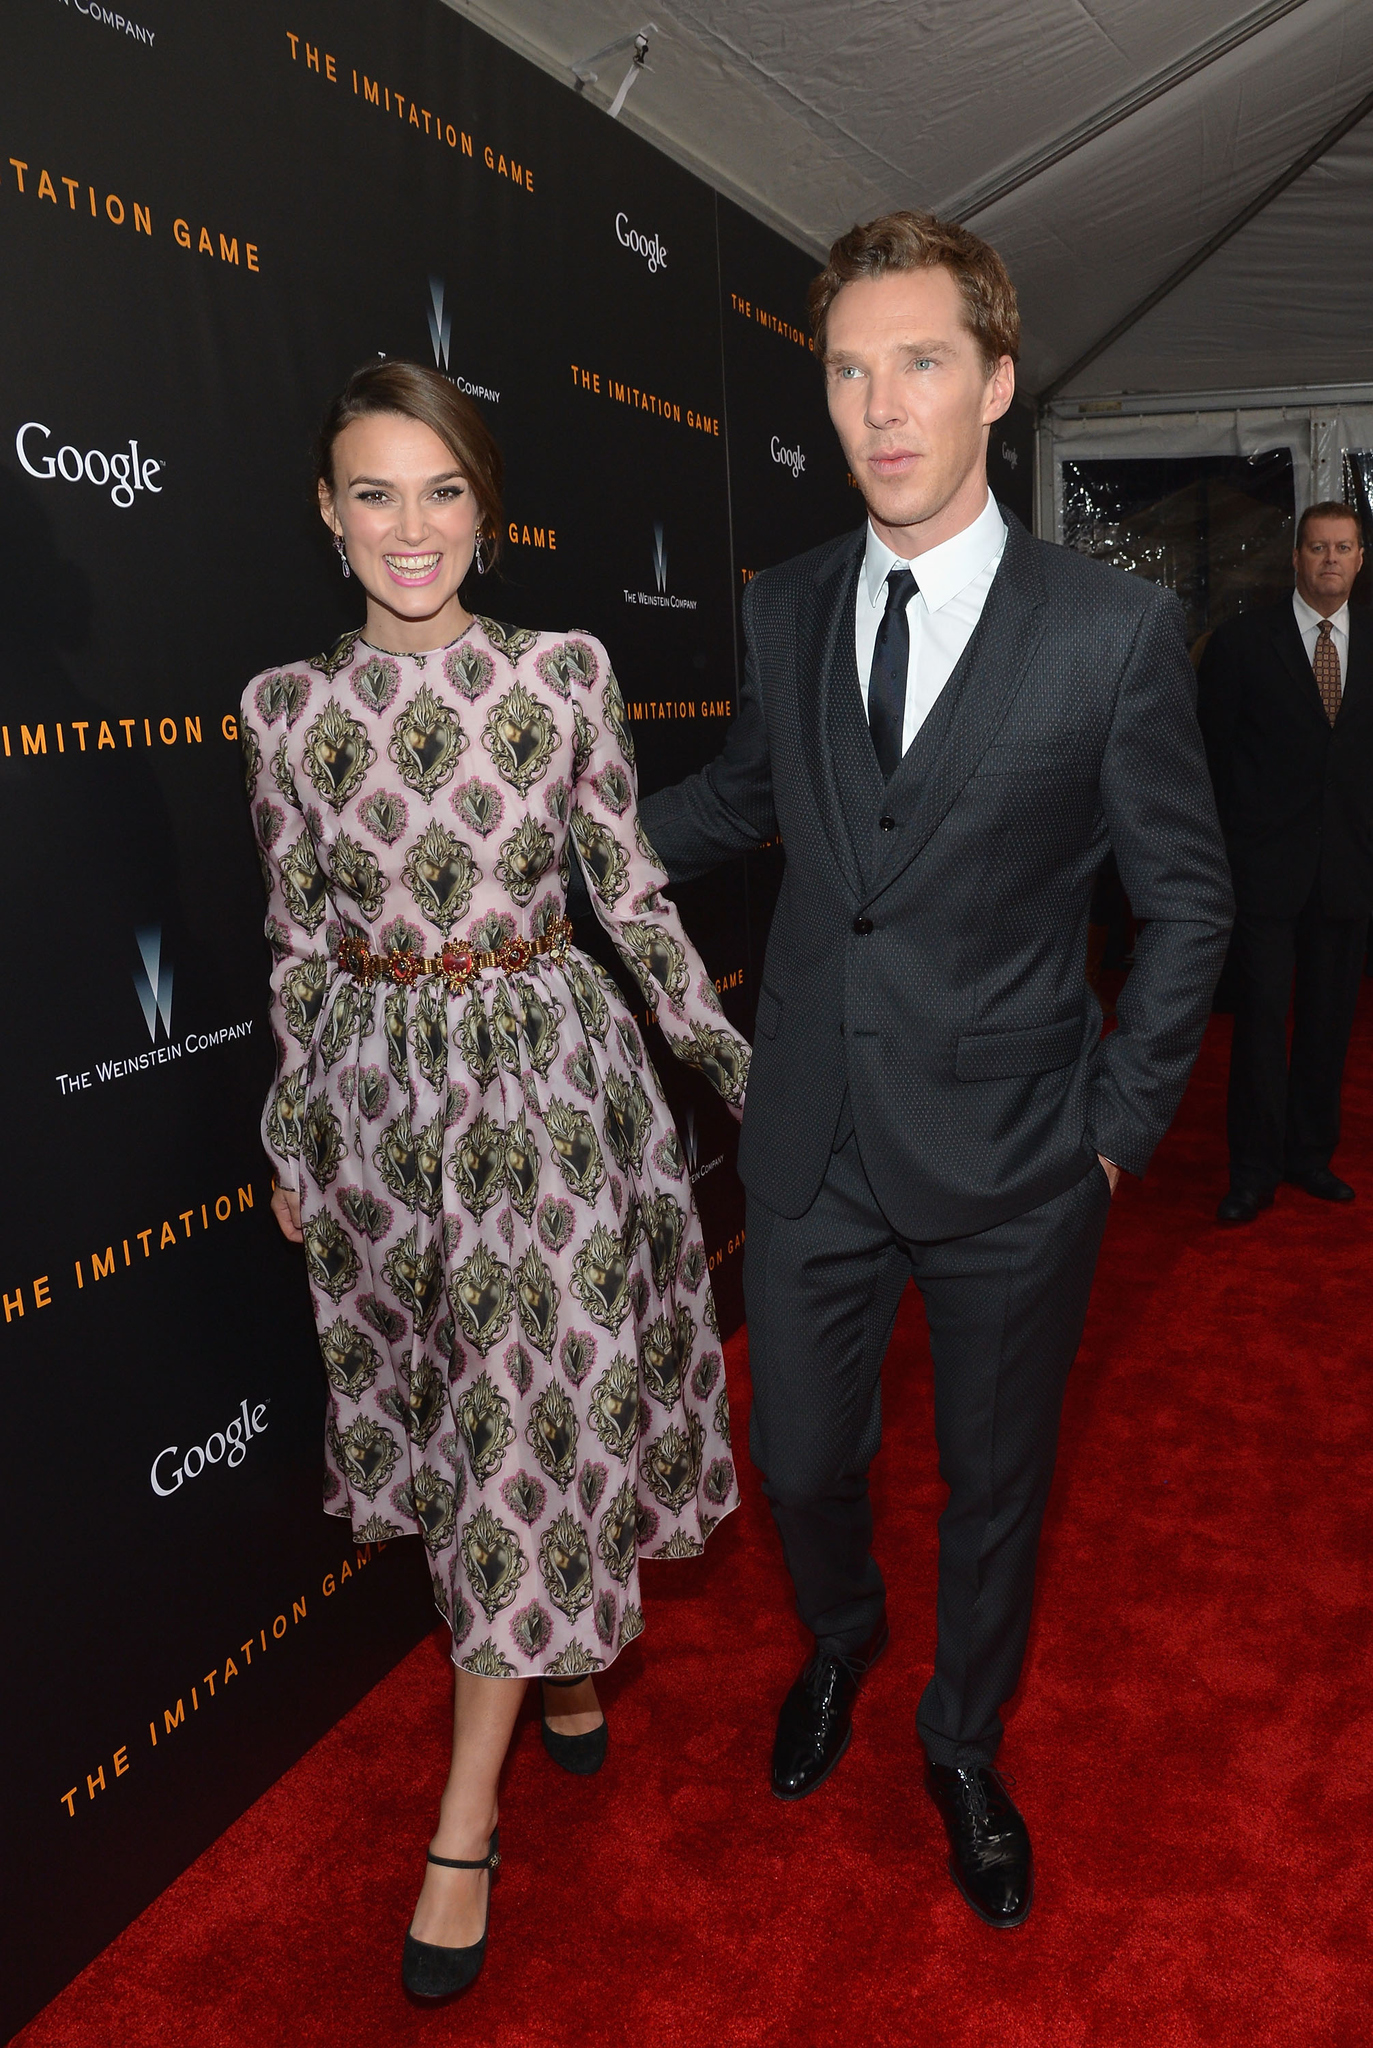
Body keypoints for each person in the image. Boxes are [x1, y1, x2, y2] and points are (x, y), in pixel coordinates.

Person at [639, 211, 1233, 1928]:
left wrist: (1112, 1132)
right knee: (803, 1459)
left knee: (995, 1484)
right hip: (813, 1124)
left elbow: (1187, 902)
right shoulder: (782, 601)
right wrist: (553, 826)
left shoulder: (1107, 632)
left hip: (1017, 1156)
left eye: (916, 363)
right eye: (846, 368)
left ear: (991, 379)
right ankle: (839, 1637)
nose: (878, 406)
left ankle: (959, 1737)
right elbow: (743, 799)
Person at [241, 360, 748, 2004]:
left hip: (545, 1081)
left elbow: (628, 889)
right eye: (374, 492)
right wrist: (294, 1125)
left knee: (533, 1407)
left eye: (441, 488)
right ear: (327, 514)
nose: (411, 525)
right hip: (387, 1107)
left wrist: (740, 1066)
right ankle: (568, 1654)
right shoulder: (284, 713)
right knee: (469, 1419)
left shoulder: (556, 673)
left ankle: (463, 1823)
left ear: (486, 506)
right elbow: (302, 947)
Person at [1197, 502, 1371, 1222]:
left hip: (1349, 872)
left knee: (1330, 1025)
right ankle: (1252, 1171)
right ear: (1294, 558)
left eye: (1342, 548)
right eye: (1316, 548)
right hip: (1262, 872)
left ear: (1359, 559)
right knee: (1262, 1026)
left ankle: (1308, 1156)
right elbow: (1209, 759)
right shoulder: (1241, 644)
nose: (1329, 560)